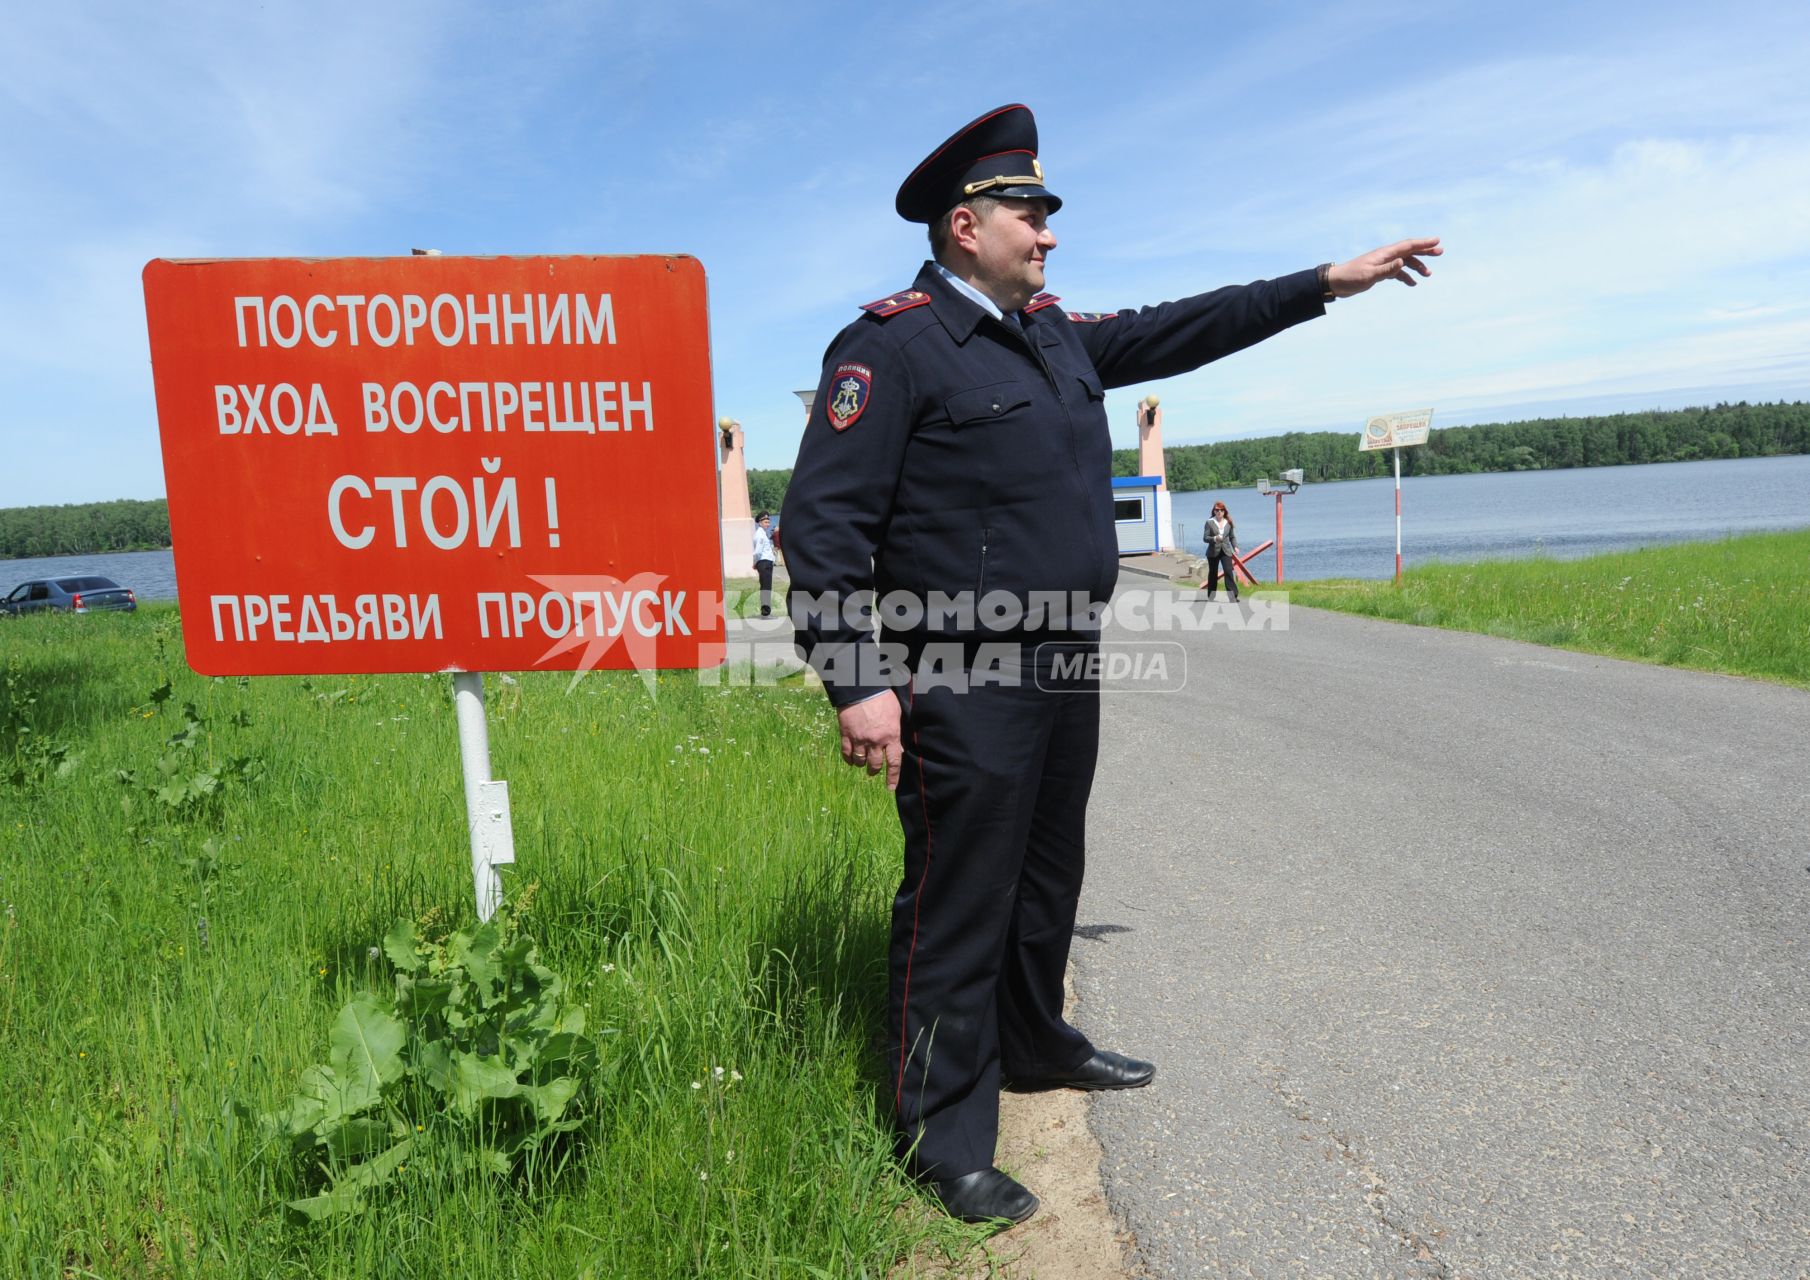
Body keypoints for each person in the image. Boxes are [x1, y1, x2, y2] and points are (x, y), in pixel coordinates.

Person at [781, 103, 1439, 1226]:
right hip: (960, 671)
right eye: (1028, 216)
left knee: (1045, 876)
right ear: (962, 226)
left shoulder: (1053, 333)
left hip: (1062, 659)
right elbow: (822, 530)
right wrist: (860, 680)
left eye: (1045, 216)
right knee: (957, 898)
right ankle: (940, 1136)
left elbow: (1194, 323)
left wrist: (1326, 281)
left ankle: (1034, 1042)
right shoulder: (888, 348)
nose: (1046, 235)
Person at [1204, 501, 1240, 602]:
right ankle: (1211, 596)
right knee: (1213, 574)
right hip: (1213, 552)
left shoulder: (1228, 522)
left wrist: (1235, 547)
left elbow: (1232, 537)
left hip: (1226, 551)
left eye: (1221, 510)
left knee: (1228, 572)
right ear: (1214, 511)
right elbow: (1205, 538)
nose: (1219, 512)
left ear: (1224, 511)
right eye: (1217, 510)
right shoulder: (1209, 522)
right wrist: (1214, 538)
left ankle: (1233, 597)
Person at [752, 511, 777, 617]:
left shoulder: (762, 533)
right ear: (760, 522)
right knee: (766, 587)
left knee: (765, 587)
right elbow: (757, 552)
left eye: (768, 522)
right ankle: (766, 612)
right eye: (766, 522)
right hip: (764, 563)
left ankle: (765, 610)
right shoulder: (760, 535)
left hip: (765, 562)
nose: (768, 524)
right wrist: (755, 563)